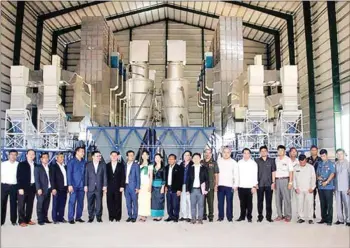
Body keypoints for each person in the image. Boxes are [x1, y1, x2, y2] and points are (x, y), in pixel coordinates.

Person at [235, 148, 258, 223]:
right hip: (241, 186)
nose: (246, 154)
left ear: (250, 154)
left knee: (249, 203)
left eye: (247, 153)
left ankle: (249, 217)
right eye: (244, 153)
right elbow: (237, 175)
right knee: (242, 203)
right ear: (242, 154)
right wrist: (236, 185)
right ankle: (242, 216)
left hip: (250, 186)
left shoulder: (253, 163)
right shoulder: (239, 163)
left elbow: (255, 175)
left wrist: (254, 186)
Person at [84, 151, 107, 223]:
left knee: (99, 203)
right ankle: (91, 217)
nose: (99, 157)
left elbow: (105, 176)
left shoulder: (103, 165)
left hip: (99, 187)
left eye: (100, 156)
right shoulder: (88, 165)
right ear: (93, 157)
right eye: (97, 156)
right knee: (90, 203)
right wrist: (85, 185)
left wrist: (105, 185)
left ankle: (99, 217)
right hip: (90, 187)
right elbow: (86, 176)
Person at [186, 153, 209, 224]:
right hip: (192, 189)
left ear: (200, 159)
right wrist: (187, 190)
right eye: (194, 158)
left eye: (197, 158)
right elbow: (188, 180)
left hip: (201, 190)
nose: (196, 159)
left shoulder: (204, 168)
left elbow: (207, 179)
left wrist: (206, 189)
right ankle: (193, 219)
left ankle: (200, 219)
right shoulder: (190, 168)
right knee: (192, 205)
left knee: (201, 205)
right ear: (192, 159)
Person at [293, 154, 316, 224]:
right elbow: (293, 179)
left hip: (308, 189)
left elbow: (313, 178)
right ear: (299, 161)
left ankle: (310, 218)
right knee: (300, 204)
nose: (302, 163)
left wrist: (312, 187)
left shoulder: (311, 167)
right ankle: (301, 217)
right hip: (299, 189)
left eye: (304, 162)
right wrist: (295, 188)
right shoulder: (295, 168)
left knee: (310, 204)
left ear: (306, 160)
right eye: (301, 162)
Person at [17, 149, 37, 227]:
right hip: (23, 188)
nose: (31, 155)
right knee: (21, 205)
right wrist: (20, 188)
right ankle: (21, 221)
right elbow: (18, 176)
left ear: (34, 156)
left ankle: (28, 219)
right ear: (26, 155)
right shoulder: (21, 164)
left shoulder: (35, 165)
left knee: (30, 205)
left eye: (33, 154)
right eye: (30, 154)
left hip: (32, 187)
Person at [256, 145, 276, 223]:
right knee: (259, 201)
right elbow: (254, 173)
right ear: (260, 152)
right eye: (262, 151)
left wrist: (273, 182)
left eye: (265, 151)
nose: (263, 152)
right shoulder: (256, 161)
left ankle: (268, 217)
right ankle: (260, 217)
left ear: (267, 152)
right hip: (259, 184)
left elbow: (273, 172)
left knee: (269, 201)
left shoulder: (271, 160)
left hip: (269, 184)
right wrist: (255, 183)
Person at [217, 147, 237, 222]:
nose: (226, 154)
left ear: (230, 153)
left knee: (229, 202)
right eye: (224, 152)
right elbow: (216, 174)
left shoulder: (233, 162)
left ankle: (229, 217)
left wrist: (235, 185)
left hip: (230, 186)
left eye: (227, 152)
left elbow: (236, 174)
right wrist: (216, 184)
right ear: (222, 153)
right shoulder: (218, 161)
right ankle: (220, 217)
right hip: (220, 185)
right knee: (220, 203)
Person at [67, 147, 86, 224]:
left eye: (83, 152)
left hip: (82, 185)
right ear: (77, 152)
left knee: (81, 202)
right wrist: (69, 184)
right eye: (81, 152)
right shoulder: (71, 162)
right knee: (72, 202)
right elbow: (69, 174)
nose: (83, 153)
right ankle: (71, 218)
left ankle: (78, 217)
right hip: (73, 185)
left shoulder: (84, 162)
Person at [274, 145, 294, 222]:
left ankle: (288, 215)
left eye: (282, 150)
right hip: (277, 180)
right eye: (279, 150)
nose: (280, 152)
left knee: (287, 199)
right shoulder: (276, 160)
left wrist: (290, 182)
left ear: (284, 151)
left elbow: (291, 171)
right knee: (277, 199)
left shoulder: (288, 160)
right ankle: (279, 215)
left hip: (285, 180)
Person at [317, 149, 335, 226]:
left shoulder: (330, 163)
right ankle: (323, 218)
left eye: (324, 156)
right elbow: (317, 173)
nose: (322, 157)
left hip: (328, 187)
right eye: (321, 156)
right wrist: (318, 177)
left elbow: (332, 174)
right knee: (322, 203)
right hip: (321, 187)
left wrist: (327, 182)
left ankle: (329, 220)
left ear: (327, 155)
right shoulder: (320, 163)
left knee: (329, 204)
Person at [106, 151, 125, 222]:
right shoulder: (107, 165)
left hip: (118, 187)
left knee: (118, 202)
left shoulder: (121, 165)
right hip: (109, 187)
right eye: (112, 155)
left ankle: (117, 217)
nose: (114, 157)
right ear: (110, 156)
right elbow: (105, 177)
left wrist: (122, 186)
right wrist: (105, 186)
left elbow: (123, 176)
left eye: (115, 155)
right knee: (110, 202)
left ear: (117, 157)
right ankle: (111, 217)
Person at [1, 149, 19, 226]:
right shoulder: (3, 164)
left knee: (14, 204)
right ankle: (1, 221)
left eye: (15, 155)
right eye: (11, 154)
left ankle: (13, 221)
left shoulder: (18, 164)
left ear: (17, 156)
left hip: (14, 186)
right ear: (8, 155)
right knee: (2, 204)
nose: (13, 156)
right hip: (4, 186)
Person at [34, 153, 53, 225]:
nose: (46, 159)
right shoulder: (38, 167)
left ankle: (45, 218)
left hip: (48, 189)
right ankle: (40, 220)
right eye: (44, 157)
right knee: (40, 205)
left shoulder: (49, 167)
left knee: (46, 205)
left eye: (47, 157)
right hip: (41, 190)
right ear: (41, 159)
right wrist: (38, 188)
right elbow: (37, 179)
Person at [201, 148, 219, 222]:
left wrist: (216, 185)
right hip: (202, 185)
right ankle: (203, 215)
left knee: (210, 202)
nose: (207, 154)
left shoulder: (214, 163)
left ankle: (211, 216)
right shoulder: (201, 162)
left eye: (209, 153)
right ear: (204, 154)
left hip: (211, 185)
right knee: (202, 201)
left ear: (211, 154)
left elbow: (216, 175)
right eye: (206, 153)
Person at [164, 154, 183, 222]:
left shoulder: (179, 168)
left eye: (172, 159)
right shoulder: (166, 168)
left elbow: (181, 180)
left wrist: (179, 189)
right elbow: (165, 178)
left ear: (175, 160)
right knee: (169, 203)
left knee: (176, 204)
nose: (170, 160)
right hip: (168, 188)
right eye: (169, 159)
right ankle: (170, 216)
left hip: (176, 188)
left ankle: (176, 217)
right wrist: (165, 186)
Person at [50, 153, 68, 224]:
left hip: (64, 188)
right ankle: (55, 219)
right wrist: (53, 188)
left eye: (63, 157)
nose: (62, 158)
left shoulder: (65, 166)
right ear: (56, 158)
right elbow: (52, 178)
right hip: (57, 189)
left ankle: (61, 217)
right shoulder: (53, 167)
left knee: (62, 204)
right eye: (60, 157)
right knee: (56, 204)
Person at [334, 148, 350, 226]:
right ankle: (340, 219)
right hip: (337, 187)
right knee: (338, 204)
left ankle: (348, 219)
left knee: (347, 204)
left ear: (344, 154)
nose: (340, 155)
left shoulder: (348, 164)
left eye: (341, 154)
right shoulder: (335, 164)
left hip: (345, 187)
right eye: (338, 154)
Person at [124, 150, 140, 223]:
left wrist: (137, 187)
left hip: (133, 187)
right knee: (128, 203)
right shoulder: (124, 165)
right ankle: (129, 216)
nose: (131, 157)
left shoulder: (136, 165)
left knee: (135, 202)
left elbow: (138, 177)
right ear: (127, 156)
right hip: (126, 186)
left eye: (132, 155)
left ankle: (134, 216)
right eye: (130, 155)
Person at [306, 145, 322, 218]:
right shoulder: (307, 160)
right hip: (311, 182)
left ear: (317, 151)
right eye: (312, 150)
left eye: (315, 150)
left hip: (319, 181)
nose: (313, 151)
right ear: (310, 151)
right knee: (312, 198)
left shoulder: (320, 159)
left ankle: (323, 215)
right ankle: (312, 212)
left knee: (322, 198)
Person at [138, 150, 153, 222]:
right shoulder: (139, 164)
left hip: (147, 184)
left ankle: (145, 215)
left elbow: (151, 176)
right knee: (140, 200)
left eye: (146, 154)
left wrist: (150, 185)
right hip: (140, 185)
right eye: (143, 154)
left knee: (146, 200)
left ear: (148, 156)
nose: (144, 156)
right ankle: (141, 214)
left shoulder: (150, 165)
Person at [151, 153, 166, 221]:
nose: (157, 159)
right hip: (154, 186)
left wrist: (163, 187)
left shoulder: (163, 168)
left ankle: (159, 215)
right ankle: (155, 214)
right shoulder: (153, 167)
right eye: (155, 158)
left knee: (160, 200)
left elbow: (164, 178)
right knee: (154, 201)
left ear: (161, 159)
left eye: (158, 157)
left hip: (160, 186)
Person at [179, 150, 193, 222]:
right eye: (185, 155)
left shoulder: (192, 164)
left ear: (190, 156)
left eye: (188, 155)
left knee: (189, 201)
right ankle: (184, 215)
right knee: (183, 201)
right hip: (182, 185)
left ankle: (190, 216)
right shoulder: (181, 164)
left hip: (189, 185)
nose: (186, 156)